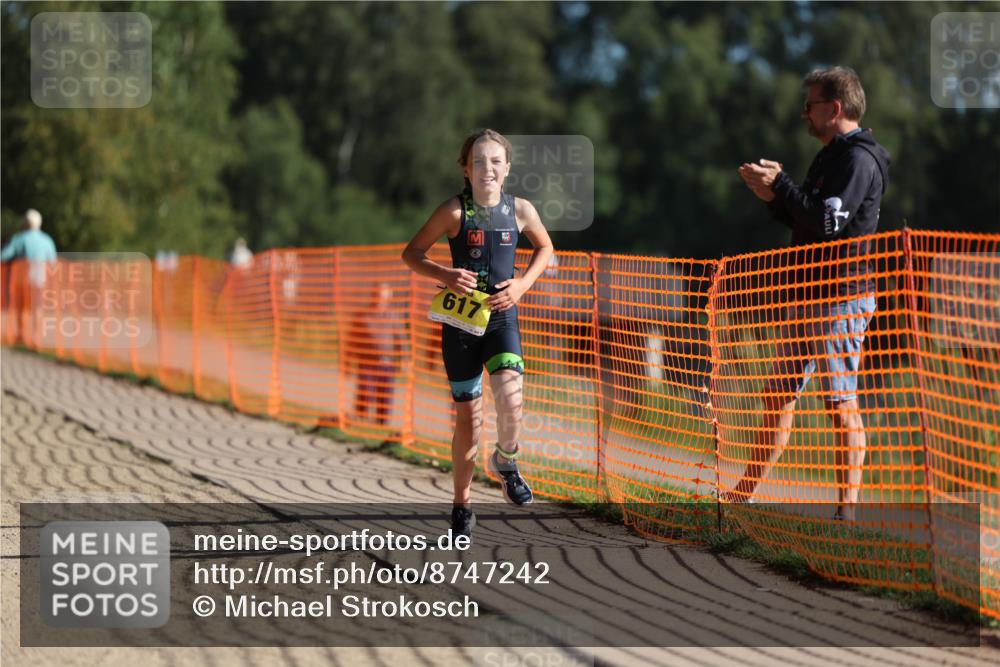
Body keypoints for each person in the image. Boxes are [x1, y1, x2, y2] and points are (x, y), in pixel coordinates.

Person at [729, 66, 891, 521]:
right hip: (807, 292)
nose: (804, 114)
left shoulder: (859, 159)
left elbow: (827, 223)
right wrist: (774, 200)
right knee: (777, 395)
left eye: (811, 105)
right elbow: (809, 219)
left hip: (841, 296)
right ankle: (743, 495)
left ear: (834, 108)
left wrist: (781, 184)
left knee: (840, 403)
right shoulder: (830, 156)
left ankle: (847, 514)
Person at [402, 129, 554, 538]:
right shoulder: (453, 212)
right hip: (462, 326)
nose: (487, 168)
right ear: (465, 170)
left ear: (507, 168)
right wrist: (446, 274)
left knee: (511, 396)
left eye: (495, 161)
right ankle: (462, 504)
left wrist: (521, 285)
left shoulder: (520, 210)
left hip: (501, 318)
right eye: (478, 161)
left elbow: (545, 249)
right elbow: (411, 254)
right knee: (468, 420)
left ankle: (506, 460)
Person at [1, 209, 57, 344]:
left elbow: (4, 256)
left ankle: (21, 335)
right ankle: (36, 336)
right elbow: (53, 262)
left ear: (25, 223)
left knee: (20, 307)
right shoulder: (47, 240)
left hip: (22, 279)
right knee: (37, 308)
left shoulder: (19, 239)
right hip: (40, 280)